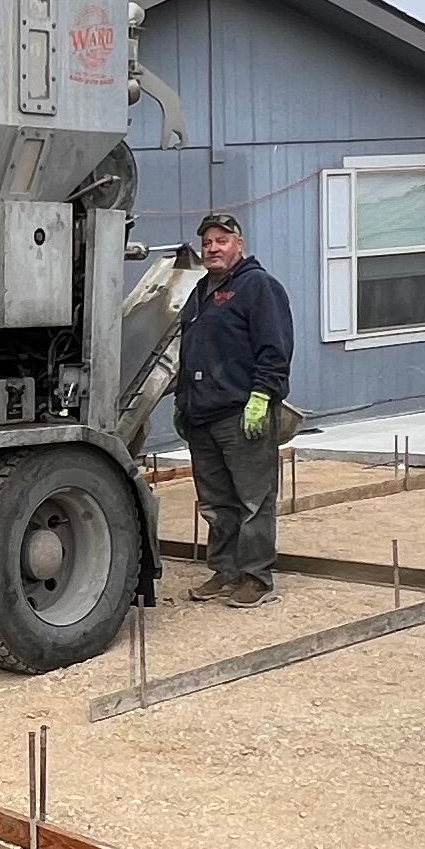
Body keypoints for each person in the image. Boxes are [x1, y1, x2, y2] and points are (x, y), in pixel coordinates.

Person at [173, 209, 296, 604]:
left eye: (221, 241)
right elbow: (190, 353)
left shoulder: (258, 287)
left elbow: (274, 349)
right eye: (207, 242)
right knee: (216, 502)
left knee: (252, 500)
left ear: (239, 245)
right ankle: (225, 571)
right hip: (202, 415)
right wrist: (182, 401)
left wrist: (261, 397)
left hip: (240, 414)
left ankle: (256, 578)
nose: (213, 248)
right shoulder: (200, 293)